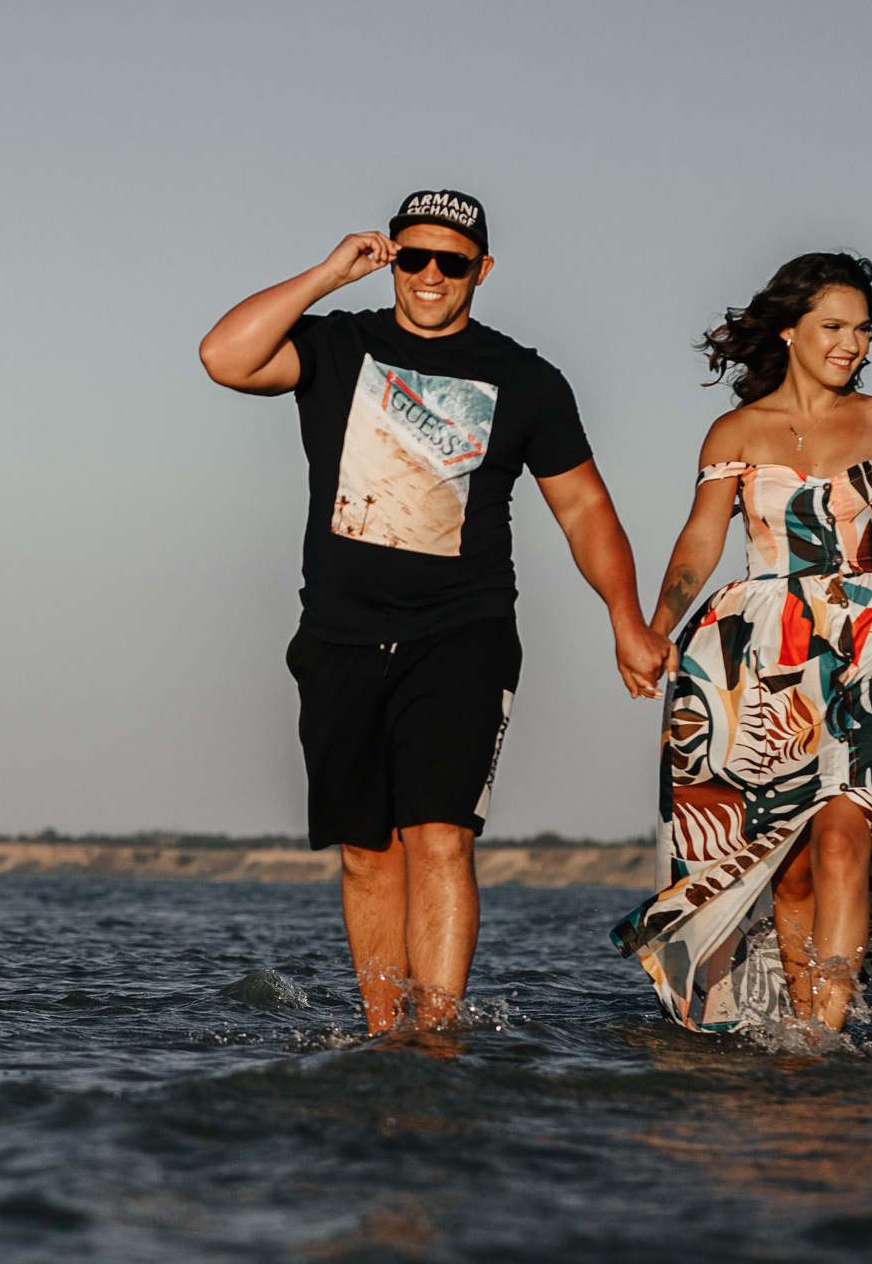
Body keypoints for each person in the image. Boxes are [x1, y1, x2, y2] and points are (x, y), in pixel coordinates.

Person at [200, 190, 673, 1034]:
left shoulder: (526, 379)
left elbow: (586, 511)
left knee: (440, 837)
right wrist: (325, 275)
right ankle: (388, 1033)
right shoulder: (336, 343)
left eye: (450, 262)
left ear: (480, 272)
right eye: (411, 257)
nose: (427, 276)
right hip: (338, 634)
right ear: (391, 259)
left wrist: (626, 620)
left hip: (463, 630)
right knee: (365, 853)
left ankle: (441, 1039)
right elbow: (223, 357)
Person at [611, 252, 872, 1033]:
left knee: (841, 834)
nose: (851, 345)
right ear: (791, 330)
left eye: (862, 330)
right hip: (762, 655)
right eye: (834, 327)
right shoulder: (736, 430)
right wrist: (655, 629)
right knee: (789, 866)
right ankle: (797, 1029)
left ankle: (824, 1042)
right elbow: (699, 541)